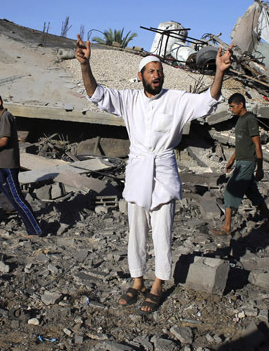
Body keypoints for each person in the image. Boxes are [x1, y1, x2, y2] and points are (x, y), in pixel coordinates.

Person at [75, 34, 231, 314]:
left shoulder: (176, 100)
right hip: (137, 172)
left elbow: (208, 100)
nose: (156, 75)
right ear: (141, 75)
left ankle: (158, 283)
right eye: (151, 71)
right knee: (136, 230)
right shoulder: (129, 100)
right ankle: (137, 281)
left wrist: (219, 72)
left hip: (163, 172)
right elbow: (96, 94)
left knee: (162, 231)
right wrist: (85, 65)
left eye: (159, 71)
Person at [0, 92, 42, 237]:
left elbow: (4, 141)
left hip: (6, 167)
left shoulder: (5, 117)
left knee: (16, 199)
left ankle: (35, 230)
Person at [211, 92, 269, 237]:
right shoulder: (240, 120)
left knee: (230, 190)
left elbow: (257, 145)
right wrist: (232, 160)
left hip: (248, 162)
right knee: (253, 193)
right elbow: (240, 144)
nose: (231, 109)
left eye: (233, 106)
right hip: (241, 161)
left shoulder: (250, 119)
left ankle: (227, 227)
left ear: (241, 104)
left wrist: (260, 167)